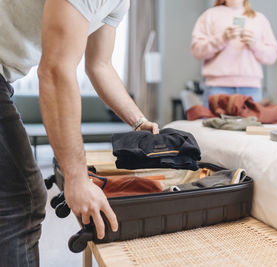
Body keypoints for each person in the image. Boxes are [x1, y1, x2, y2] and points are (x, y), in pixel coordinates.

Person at [0, 0, 159, 266]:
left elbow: (99, 66)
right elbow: (55, 70)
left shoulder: (119, 4)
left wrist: (139, 121)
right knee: (23, 200)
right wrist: (77, 177)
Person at [191, 0, 277, 108]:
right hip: (217, 88)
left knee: (250, 125)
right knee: (213, 125)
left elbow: (272, 56)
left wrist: (255, 45)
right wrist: (221, 39)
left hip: (251, 89)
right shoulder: (209, 15)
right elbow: (197, 51)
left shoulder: (259, 19)